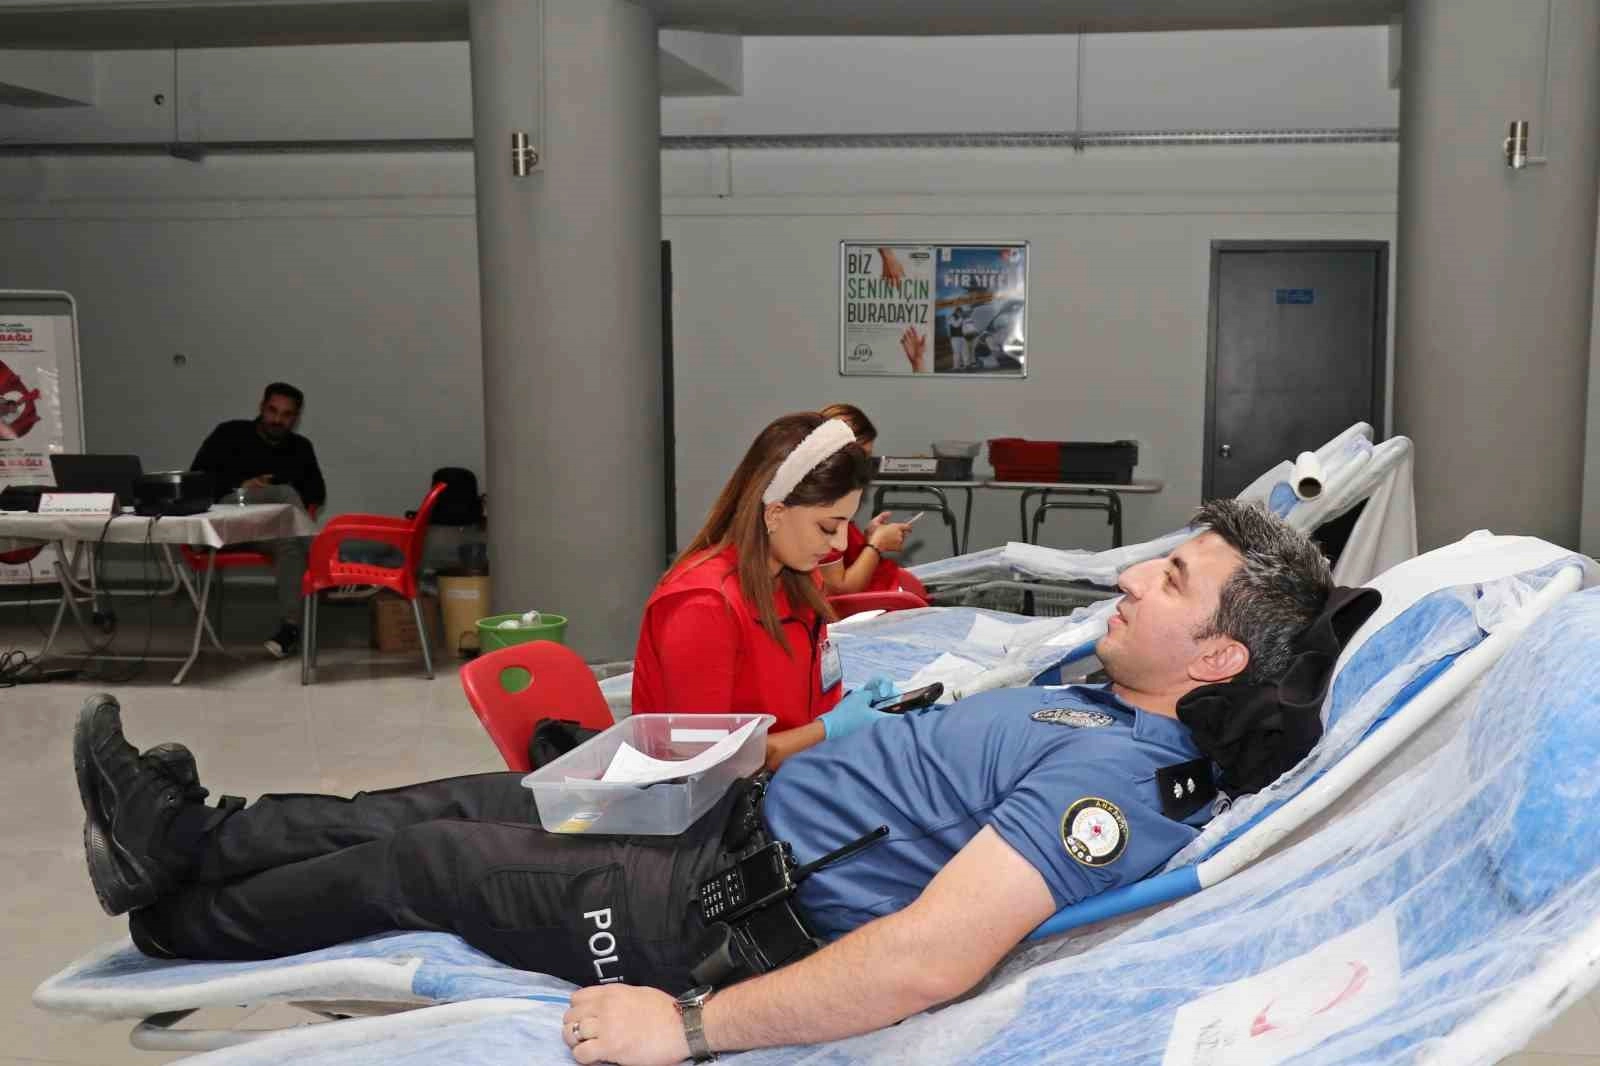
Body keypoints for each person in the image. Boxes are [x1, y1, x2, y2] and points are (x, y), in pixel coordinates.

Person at [73, 499, 1337, 1066]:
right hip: (719, 818)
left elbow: (927, 959)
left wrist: (684, 1029)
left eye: (1171, 579)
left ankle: (178, 922)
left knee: (427, 865)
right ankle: (182, 833)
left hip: (707, 910)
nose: (1132, 576)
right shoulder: (1103, 690)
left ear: (1217, 658)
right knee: (449, 799)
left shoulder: (1119, 781)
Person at [631, 412, 902, 764]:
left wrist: (848, 706)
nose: (839, 544)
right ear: (774, 514)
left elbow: (796, 704)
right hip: (723, 793)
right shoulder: (703, 607)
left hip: (795, 773)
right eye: (827, 527)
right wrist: (828, 730)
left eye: (846, 525)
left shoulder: (799, 581)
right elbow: (701, 760)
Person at [189, 383, 326, 659]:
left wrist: (272, 490)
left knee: (289, 541)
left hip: (266, 531)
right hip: (225, 524)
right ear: (261, 407)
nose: (277, 419)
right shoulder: (229, 433)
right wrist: (243, 486)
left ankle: (290, 629)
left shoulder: (300, 447)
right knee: (285, 493)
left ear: (296, 418)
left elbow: (317, 494)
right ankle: (326, 563)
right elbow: (197, 481)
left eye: (286, 415)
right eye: (272, 411)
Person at [814, 403, 923, 599]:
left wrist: (867, 540)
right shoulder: (821, 506)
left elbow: (841, 559)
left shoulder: (832, 500)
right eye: (861, 459)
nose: (863, 470)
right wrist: (877, 545)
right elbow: (839, 591)